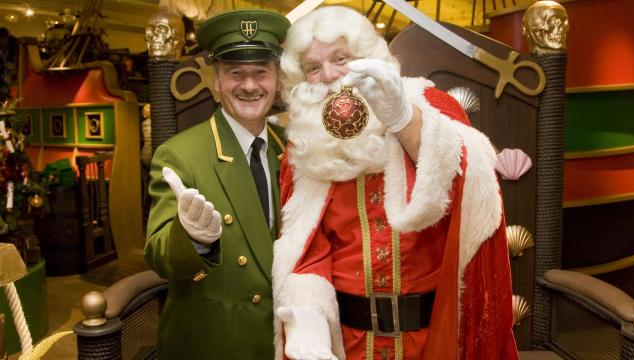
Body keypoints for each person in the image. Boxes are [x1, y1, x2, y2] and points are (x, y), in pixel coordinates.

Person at [272, 6, 518, 360]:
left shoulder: (428, 108)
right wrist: (307, 321)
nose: (328, 75)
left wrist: (403, 120)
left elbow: (474, 191)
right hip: (347, 342)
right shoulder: (305, 144)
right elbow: (306, 250)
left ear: (367, 57)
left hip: (433, 338)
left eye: (340, 58)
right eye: (313, 67)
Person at [145, 9, 290, 359]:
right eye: (235, 73)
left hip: (286, 339)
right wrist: (192, 238)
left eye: (261, 72)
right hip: (216, 342)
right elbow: (158, 256)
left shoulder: (294, 148)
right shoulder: (180, 155)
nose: (250, 85)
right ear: (216, 82)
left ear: (278, 80)